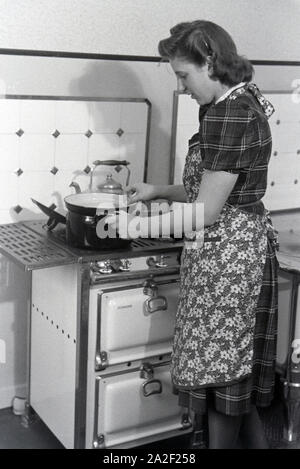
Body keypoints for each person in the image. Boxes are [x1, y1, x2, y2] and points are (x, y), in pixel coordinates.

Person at [107, 20, 278, 449]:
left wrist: (133, 226)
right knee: (232, 378)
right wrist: (157, 190)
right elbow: (212, 186)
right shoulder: (229, 102)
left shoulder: (231, 113)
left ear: (210, 62)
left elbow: (205, 210)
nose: (181, 87)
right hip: (225, 252)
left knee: (222, 380)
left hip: (230, 258)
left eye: (183, 75)